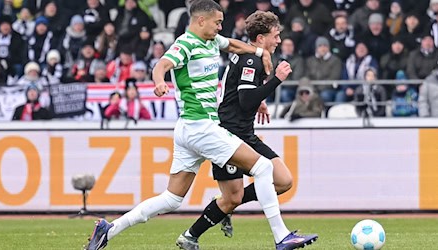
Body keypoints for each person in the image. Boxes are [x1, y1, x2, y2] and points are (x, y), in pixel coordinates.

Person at [84, 1, 305, 250]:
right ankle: (282, 237)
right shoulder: (185, 44)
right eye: (217, 22)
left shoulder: (212, 40)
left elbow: (233, 44)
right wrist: (159, 81)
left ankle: (109, 229)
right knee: (263, 168)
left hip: (188, 129)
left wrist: (260, 53)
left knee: (171, 199)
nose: (221, 26)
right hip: (202, 126)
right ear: (201, 21)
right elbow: (162, 65)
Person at [177, 10, 318, 250]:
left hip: (245, 132)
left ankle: (215, 216)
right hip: (229, 135)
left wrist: (258, 100)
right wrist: (276, 80)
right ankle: (190, 236)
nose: (279, 40)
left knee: (283, 181)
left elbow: (240, 93)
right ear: (261, 38)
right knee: (232, 199)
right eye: (275, 35)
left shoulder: (251, 57)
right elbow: (244, 100)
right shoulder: (251, 59)